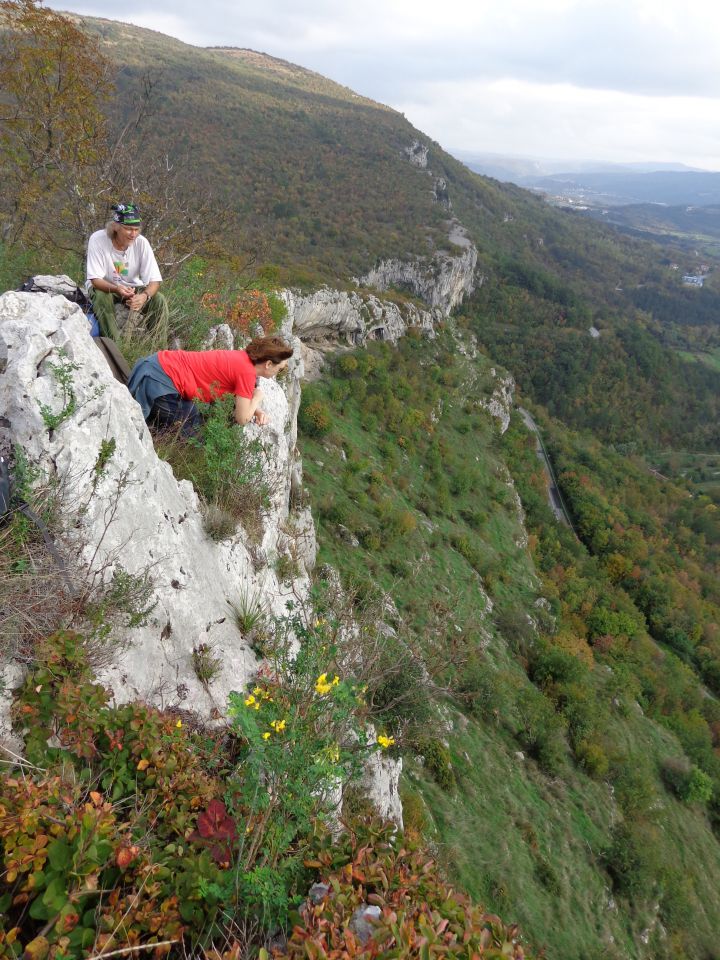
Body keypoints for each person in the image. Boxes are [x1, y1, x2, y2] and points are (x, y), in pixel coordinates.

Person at [127, 336, 294, 436]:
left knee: (192, 415)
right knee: (194, 435)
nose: (277, 374)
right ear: (269, 364)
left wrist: (256, 410)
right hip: (159, 383)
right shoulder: (247, 373)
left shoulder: (241, 358)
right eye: (278, 369)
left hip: (154, 365)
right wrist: (257, 398)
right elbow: (242, 419)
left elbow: (240, 395)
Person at [86, 203, 169, 340]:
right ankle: (115, 347)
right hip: (105, 287)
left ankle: (159, 352)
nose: (133, 234)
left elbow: (155, 280)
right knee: (102, 297)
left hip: (132, 288)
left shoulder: (141, 243)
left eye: (136, 229)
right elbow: (95, 280)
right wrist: (117, 289)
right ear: (115, 227)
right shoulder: (98, 239)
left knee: (159, 299)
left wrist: (144, 296)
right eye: (128, 229)